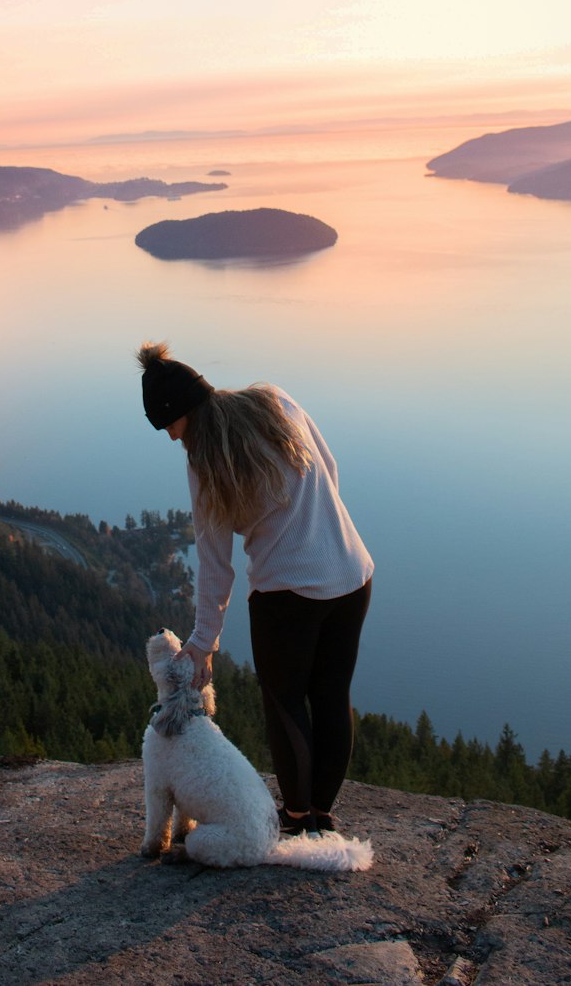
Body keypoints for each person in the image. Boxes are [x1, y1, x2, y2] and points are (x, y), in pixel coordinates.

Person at [137, 340, 373, 837]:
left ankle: (296, 819)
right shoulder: (276, 401)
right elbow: (330, 469)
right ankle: (323, 818)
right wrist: (317, 529)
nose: (172, 439)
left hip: (287, 596)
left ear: (180, 414)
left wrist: (203, 642)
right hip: (352, 575)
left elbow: (214, 562)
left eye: (169, 428)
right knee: (332, 697)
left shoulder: (205, 463)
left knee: (285, 703)